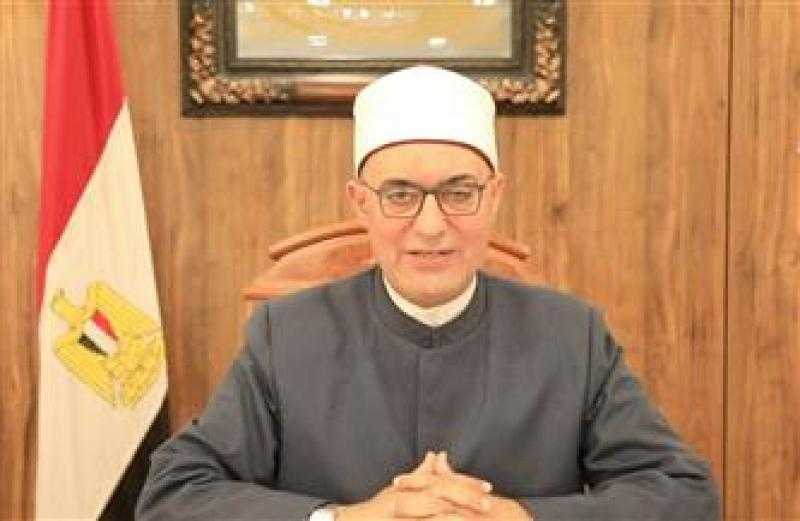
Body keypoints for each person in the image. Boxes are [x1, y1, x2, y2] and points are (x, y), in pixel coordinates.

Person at [136, 66, 719, 521]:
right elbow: (173, 493)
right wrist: (346, 518)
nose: (432, 226)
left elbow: (685, 494)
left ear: (494, 197)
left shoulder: (571, 336)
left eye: (459, 193)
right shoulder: (287, 335)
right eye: (400, 195)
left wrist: (521, 517)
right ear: (360, 202)